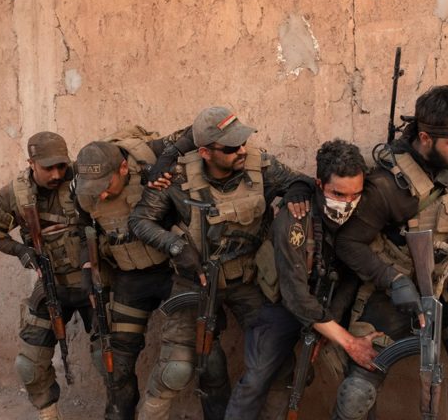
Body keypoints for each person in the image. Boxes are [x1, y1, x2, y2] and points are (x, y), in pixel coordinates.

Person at [128, 106, 311, 420]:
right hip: (194, 281)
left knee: (281, 367)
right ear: (205, 152)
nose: (241, 150)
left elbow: (301, 182)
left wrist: (296, 191)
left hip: (248, 280)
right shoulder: (177, 177)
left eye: (242, 142)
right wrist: (175, 246)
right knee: (176, 370)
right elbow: (140, 220)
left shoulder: (260, 166)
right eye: (230, 147)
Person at [333, 85, 448, 420]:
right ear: (425, 138)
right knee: (357, 394)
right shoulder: (387, 186)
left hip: (446, 297)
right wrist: (394, 280)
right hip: (393, 299)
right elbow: (348, 243)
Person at [227, 139, 379, 420]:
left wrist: (332, 321)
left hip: (329, 305)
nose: (347, 203)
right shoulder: (295, 219)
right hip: (282, 305)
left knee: (358, 382)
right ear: (320, 185)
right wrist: (348, 342)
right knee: (256, 380)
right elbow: (294, 295)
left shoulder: (361, 214)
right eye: (338, 194)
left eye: (355, 195)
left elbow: (351, 275)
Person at [73, 125, 192, 420]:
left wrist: (166, 161)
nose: (100, 194)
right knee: (113, 365)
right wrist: (87, 268)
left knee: (201, 360)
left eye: (105, 184)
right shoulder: (84, 191)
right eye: (93, 188)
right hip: (129, 279)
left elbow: (201, 129)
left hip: (174, 274)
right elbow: (82, 231)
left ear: (124, 168)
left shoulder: (151, 154)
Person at [0, 131, 92, 420]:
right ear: (31, 163)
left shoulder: (83, 177)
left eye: (61, 166)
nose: (57, 174)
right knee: (29, 364)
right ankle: (48, 412)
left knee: (114, 359)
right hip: (51, 287)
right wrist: (20, 250)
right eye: (48, 168)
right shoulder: (15, 194)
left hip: (93, 285)